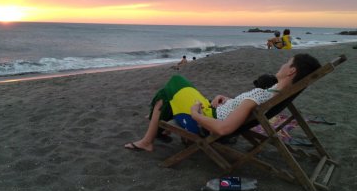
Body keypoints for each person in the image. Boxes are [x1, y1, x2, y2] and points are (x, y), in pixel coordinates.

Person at [124, 54, 321, 152]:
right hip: (214, 110)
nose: (282, 65)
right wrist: (228, 100)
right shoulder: (271, 93)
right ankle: (151, 134)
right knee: (169, 91)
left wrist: (195, 114)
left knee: (172, 86)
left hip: (205, 121)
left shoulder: (261, 96)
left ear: (291, 71)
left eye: (287, 63)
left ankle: (149, 138)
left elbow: (225, 129)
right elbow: (244, 108)